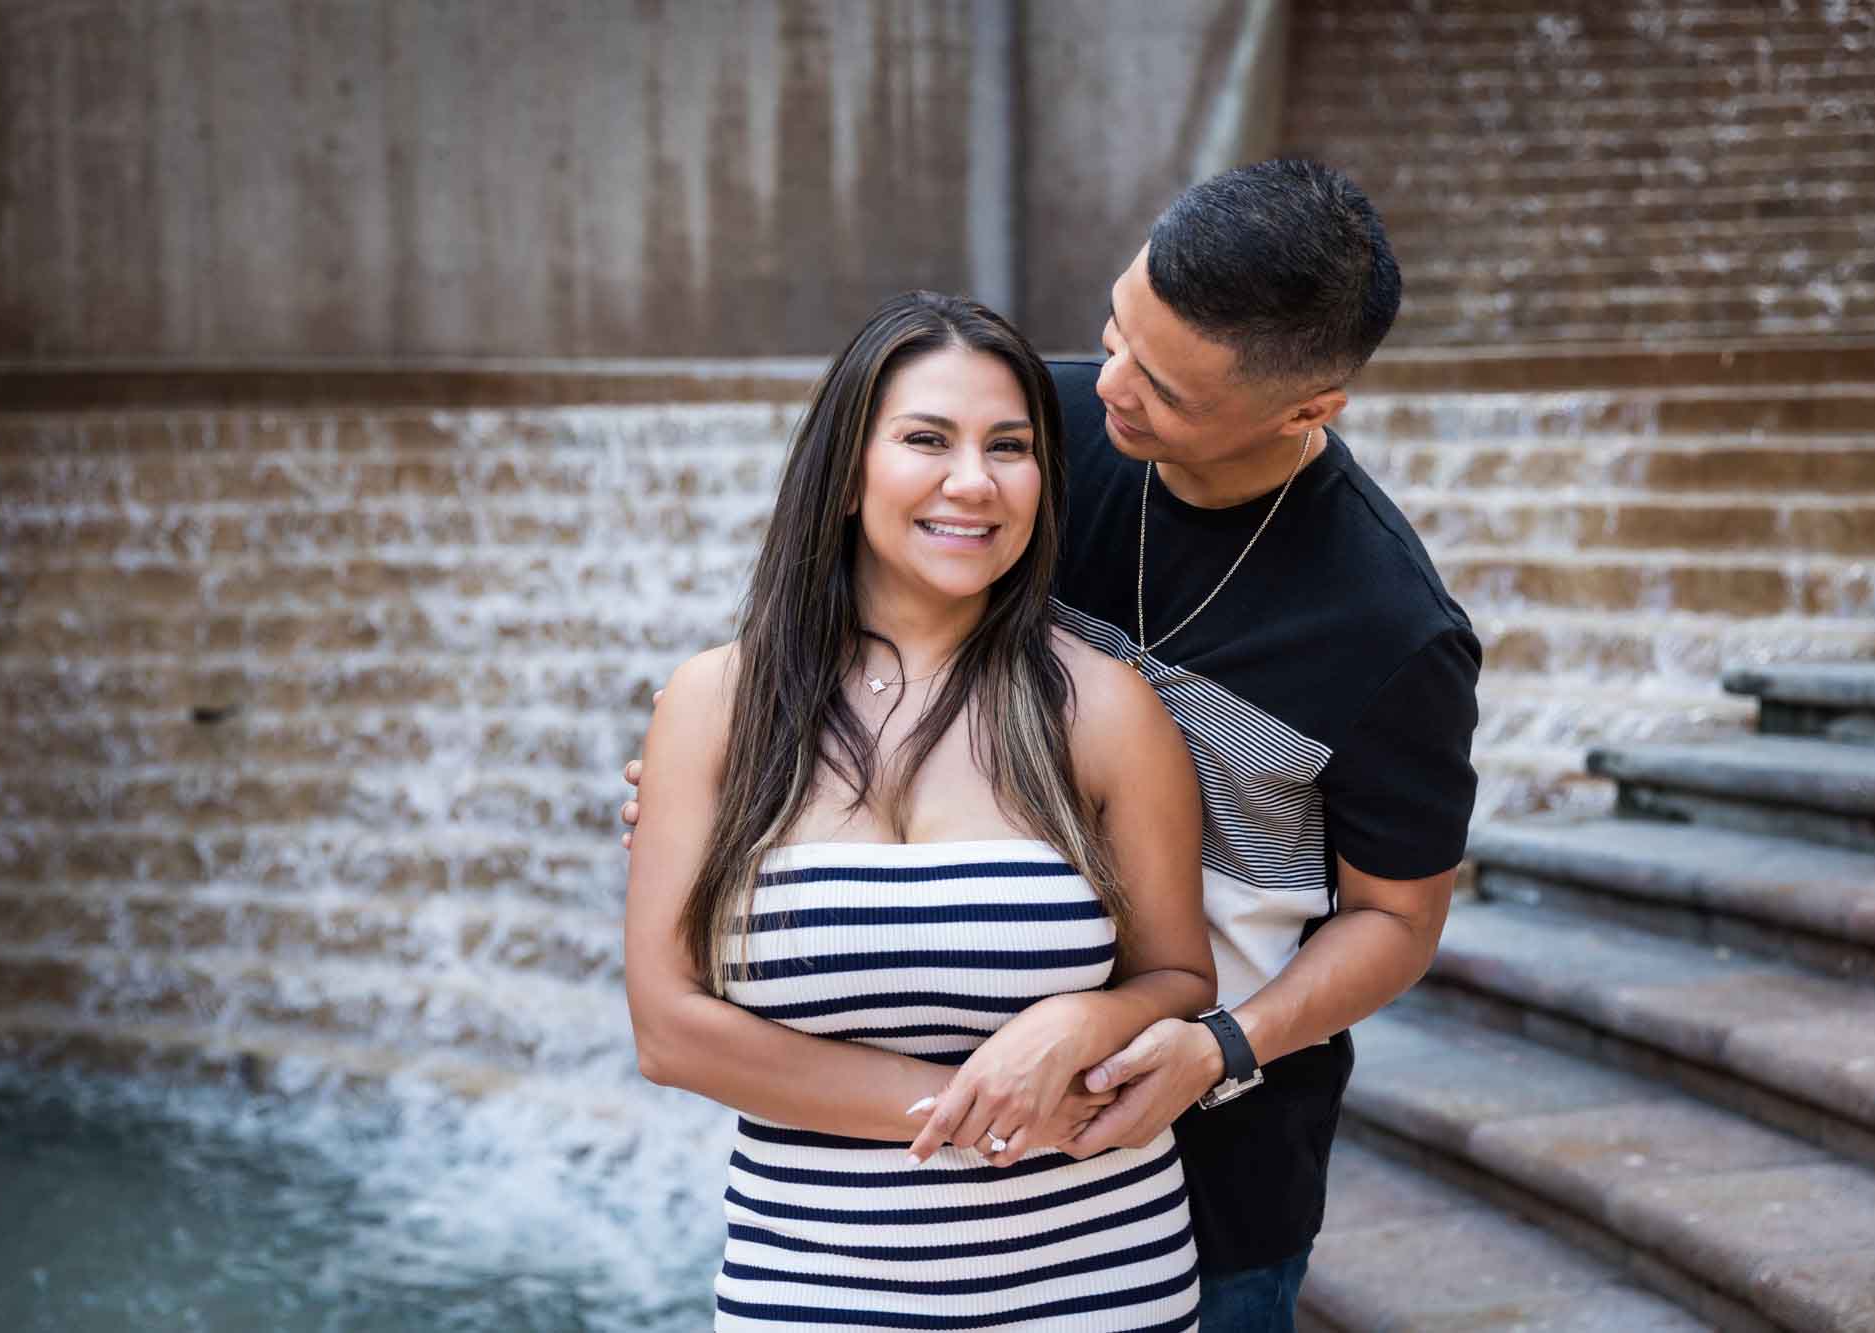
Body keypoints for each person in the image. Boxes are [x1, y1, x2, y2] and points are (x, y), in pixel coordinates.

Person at [627, 159, 1481, 1332]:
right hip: (857, 1200)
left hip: (1206, 1159)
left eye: (1167, 390)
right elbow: (855, 596)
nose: (1114, 390)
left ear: (1304, 412)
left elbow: (1396, 918)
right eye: (1115, 328)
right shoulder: (1039, 433)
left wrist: (1217, 1043)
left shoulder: (1388, 629)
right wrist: (729, 783)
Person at [625, 290, 1218, 1330]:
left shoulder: (1103, 706)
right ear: (846, 471)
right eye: (925, 439)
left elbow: (1177, 978)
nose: (971, 483)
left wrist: (1086, 1017)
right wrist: (985, 1116)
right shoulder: (716, 703)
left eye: (1009, 446)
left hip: (1097, 1289)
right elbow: (671, 1032)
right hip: (810, 1296)